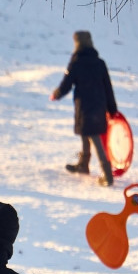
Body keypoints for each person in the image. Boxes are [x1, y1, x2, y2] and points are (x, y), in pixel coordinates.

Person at [50, 30, 118, 187]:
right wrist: (112, 109)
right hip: (99, 106)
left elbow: (66, 84)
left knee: (93, 137)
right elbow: (108, 87)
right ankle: (83, 165)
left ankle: (107, 174)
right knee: (86, 134)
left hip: (85, 107)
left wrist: (56, 94)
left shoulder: (76, 62)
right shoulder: (100, 63)